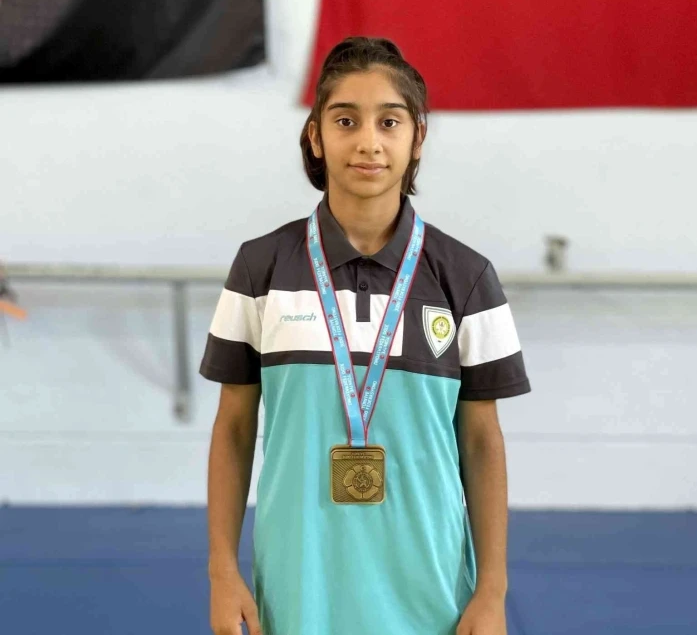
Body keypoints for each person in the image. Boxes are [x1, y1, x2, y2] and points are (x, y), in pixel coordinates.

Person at [200, 36, 532, 635]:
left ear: (418, 138)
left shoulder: (466, 278)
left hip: (432, 595)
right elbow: (234, 428)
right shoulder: (260, 268)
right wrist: (222, 570)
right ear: (315, 136)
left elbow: (483, 442)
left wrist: (492, 590)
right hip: (300, 589)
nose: (369, 142)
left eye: (390, 121)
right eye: (346, 120)